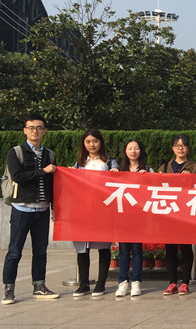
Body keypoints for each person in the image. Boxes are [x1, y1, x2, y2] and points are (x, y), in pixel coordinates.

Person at [2, 113, 59, 305]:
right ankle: (9, 289)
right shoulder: (16, 152)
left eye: (39, 128)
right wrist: (43, 171)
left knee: (41, 251)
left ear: (44, 131)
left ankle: (39, 286)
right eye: (31, 128)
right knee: (14, 251)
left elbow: (53, 183)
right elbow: (17, 177)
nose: (35, 131)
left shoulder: (49, 154)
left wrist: (54, 206)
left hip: (42, 209)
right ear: (25, 130)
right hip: (22, 209)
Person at [72, 129, 119, 297]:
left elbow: (118, 183)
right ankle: (84, 284)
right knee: (82, 248)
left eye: (95, 141)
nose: (91, 145)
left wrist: (115, 175)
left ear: (101, 142)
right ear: (83, 144)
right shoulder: (79, 163)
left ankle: (101, 284)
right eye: (88, 142)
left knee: (103, 247)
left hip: (103, 210)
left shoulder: (110, 162)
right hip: (82, 211)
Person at [158, 134, 196, 295]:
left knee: (185, 247)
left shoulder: (195, 167)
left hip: (186, 213)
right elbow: (156, 187)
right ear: (173, 148)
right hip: (169, 213)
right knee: (170, 248)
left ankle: (185, 282)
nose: (180, 148)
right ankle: (172, 283)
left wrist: (191, 180)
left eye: (183, 145)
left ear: (188, 148)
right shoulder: (165, 167)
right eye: (177, 145)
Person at [115, 139, 152, 298]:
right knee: (123, 250)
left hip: (138, 216)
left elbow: (155, 189)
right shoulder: (118, 170)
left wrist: (148, 177)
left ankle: (136, 281)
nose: (133, 151)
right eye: (130, 148)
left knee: (136, 249)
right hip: (122, 216)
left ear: (140, 151)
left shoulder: (147, 169)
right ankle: (123, 282)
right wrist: (112, 175)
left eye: (136, 148)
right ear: (125, 151)